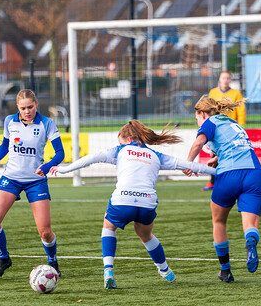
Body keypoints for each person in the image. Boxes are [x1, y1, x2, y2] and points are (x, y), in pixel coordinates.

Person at [50, 120, 216, 289]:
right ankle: (165, 270)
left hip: (123, 199)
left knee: (108, 227)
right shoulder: (156, 155)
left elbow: (90, 159)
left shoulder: (119, 150)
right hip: (147, 202)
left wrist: (63, 169)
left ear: (128, 139)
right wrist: (218, 171)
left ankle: (108, 270)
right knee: (146, 235)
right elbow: (190, 165)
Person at [0, 89, 65, 279]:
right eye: (23, 108)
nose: (27, 111)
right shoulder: (10, 122)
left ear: (36, 104)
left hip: (36, 181)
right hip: (11, 178)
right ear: (17, 108)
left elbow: (60, 153)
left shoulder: (47, 123)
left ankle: (52, 261)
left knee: (45, 232)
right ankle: (4, 258)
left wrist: (47, 166)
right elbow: (5, 145)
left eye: (30, 107)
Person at [186, 96, 261, 283]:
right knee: (250, 224)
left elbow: (198, 143)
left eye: (197, 117)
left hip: (229, 175)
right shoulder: (232, 122)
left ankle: (225, 270)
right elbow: (237, 148)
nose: (197, 121)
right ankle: (251, 242)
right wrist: (218, 157)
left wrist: (188, 163)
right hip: (254, 172)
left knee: (219, 221)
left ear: (202, 113)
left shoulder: (209, 122)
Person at [202, 70, 246, 191]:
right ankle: (212, 181)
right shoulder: (213, 92)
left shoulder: (236, 93)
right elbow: (208, 108)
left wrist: (241, 126)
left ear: (230, 80)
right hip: (216, 128)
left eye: (227, 78)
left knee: (230, 155)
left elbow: (241, 110)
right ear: (219, 80)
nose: (225, 80)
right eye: (223, 78)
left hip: (230, 129)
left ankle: (230, 181)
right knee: (214, 155)